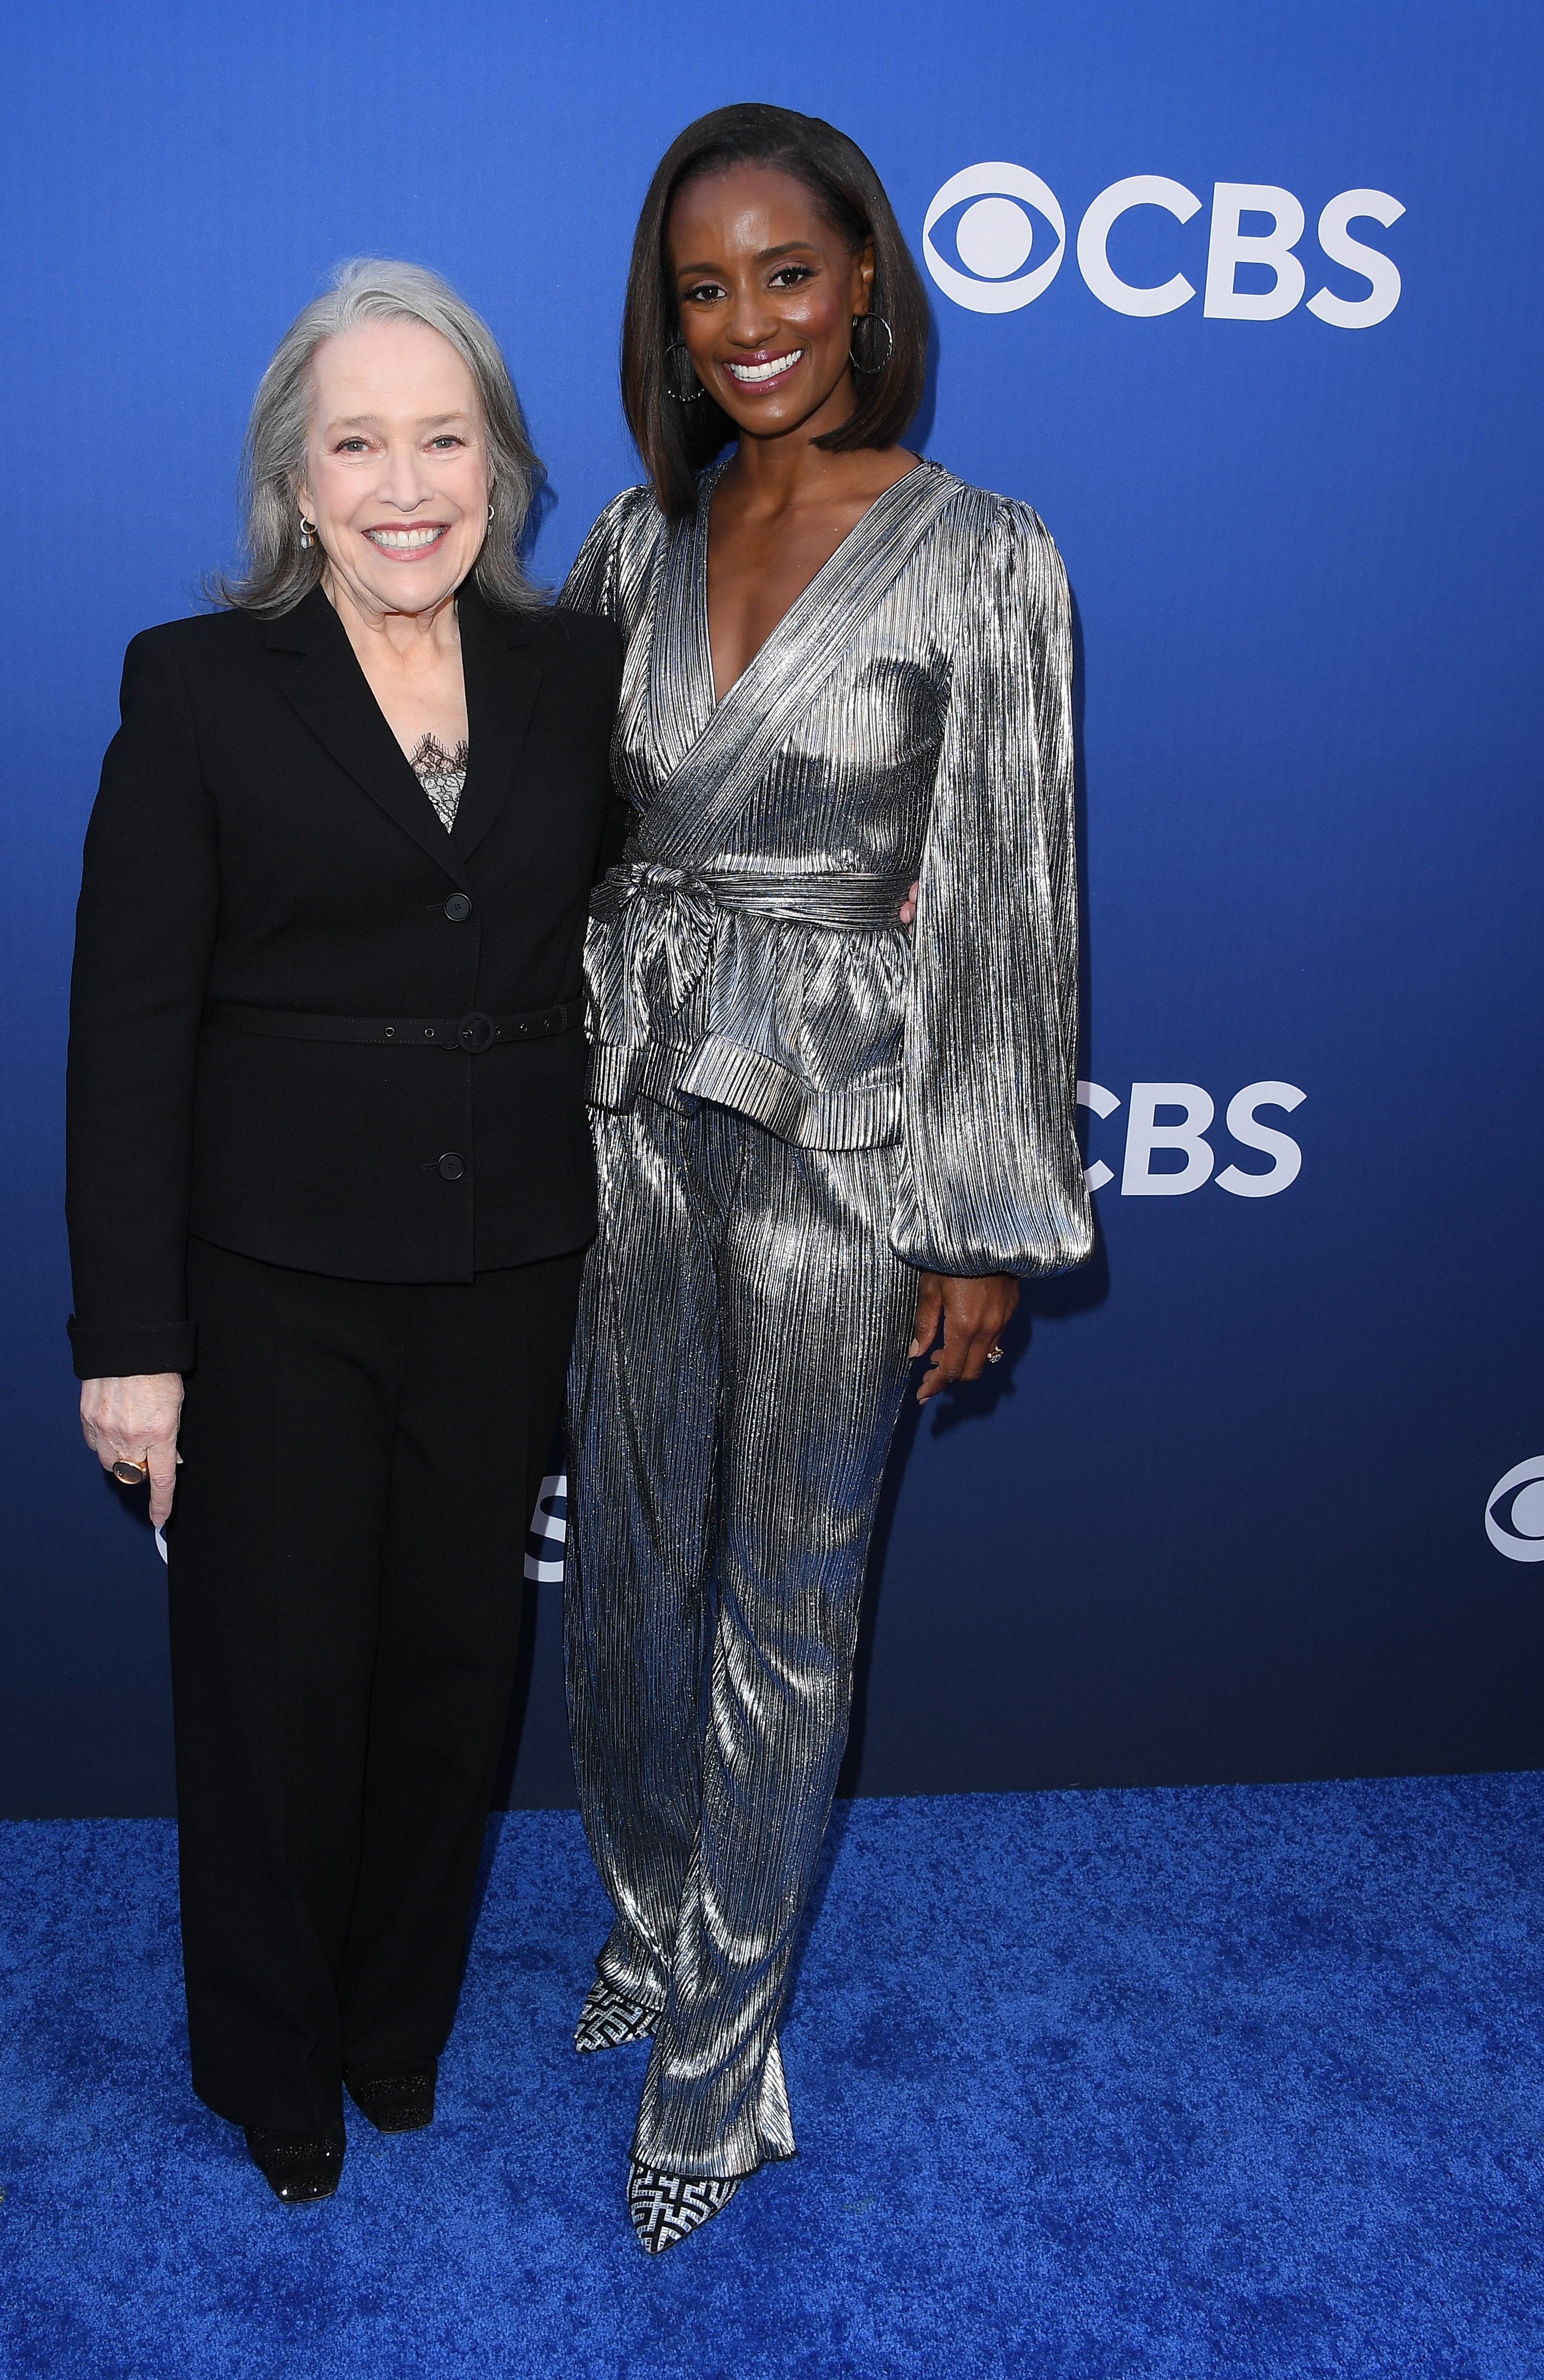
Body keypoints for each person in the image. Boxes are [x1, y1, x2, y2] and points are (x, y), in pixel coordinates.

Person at [559, 104, 1092, 2253]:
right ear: (668, 325)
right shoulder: (628, 545)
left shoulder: (984, 551)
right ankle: (652, 1913)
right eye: (707, 289)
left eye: (789, 272)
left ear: (869, 276)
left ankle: (721, 2060)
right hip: (619, 1121)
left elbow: (1010, 907)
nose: (751, 323)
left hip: (849, 1154)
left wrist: (979, 1217)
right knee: (625, 1572)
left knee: (784, 1602)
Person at [66, 259, 624, 2205]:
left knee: (451, 1676)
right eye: (358, 443)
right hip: (268, 1283)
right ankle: (272, 2066)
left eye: (445, 437)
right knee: (269, 1689)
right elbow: (129, 1029)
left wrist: (867, 898)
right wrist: (131, 1346)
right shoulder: (198, 682)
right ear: (294, 486)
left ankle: (396, 2032)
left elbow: (680, 894)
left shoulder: (580, 674)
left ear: (503, 466)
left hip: (509, 1270)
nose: (407, 484)